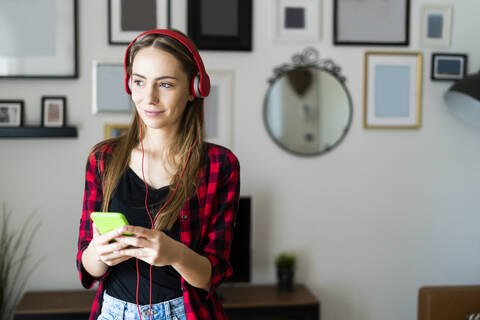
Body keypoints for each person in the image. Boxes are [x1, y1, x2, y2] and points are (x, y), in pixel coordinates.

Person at [76, 29, 240, 320]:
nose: (148, 98)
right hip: (114, 312)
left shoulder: (220, 164)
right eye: (139, 82)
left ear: (194, 89)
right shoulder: (102, 160)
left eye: (164, 84)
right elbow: (87, 268)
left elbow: (211, 276)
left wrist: (175, 254)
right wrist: (98, 252)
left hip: (182, 312)